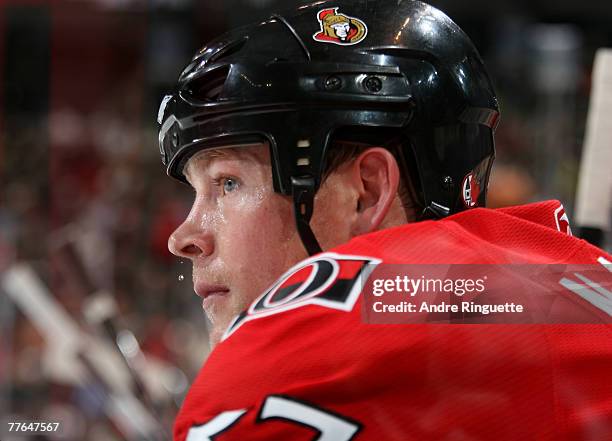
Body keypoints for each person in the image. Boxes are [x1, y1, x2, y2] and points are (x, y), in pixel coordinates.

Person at [157, 1, 612, 439]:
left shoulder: (283, 367)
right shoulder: (564, 290)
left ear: (366, 193)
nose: (184, 238)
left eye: (228, 183)